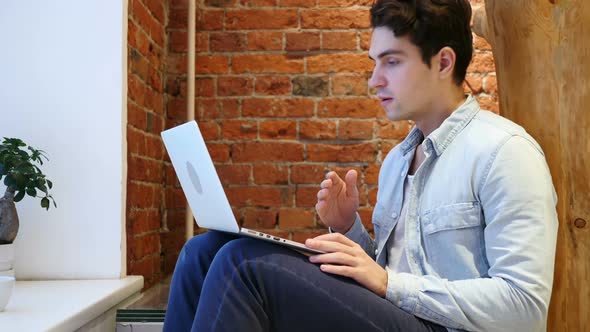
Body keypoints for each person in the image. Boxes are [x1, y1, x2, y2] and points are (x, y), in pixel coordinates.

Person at [162, 0, 558, 331]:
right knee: (205, 250)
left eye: (391, 62)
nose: (374, 80)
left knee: (243, 264)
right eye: (374, 63)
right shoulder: (397, 162)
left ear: (443, 62)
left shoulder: (505, 152)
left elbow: (524, 307)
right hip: (401, 317)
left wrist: (389, 283)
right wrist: (347, 226)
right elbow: (384, 272)